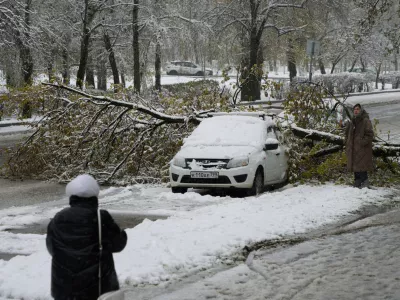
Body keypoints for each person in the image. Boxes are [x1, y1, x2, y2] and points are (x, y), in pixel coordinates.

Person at [46, 174, 127, 300]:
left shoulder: (58, 218)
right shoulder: (101, 217)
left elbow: (52, 248)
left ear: (72, 196)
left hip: (65, 287)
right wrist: (122, 232)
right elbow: (118, 244)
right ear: (94, 196)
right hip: (97, 286)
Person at [344, 103, 374, 188]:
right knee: (355, 164)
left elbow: (370, 134)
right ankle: (357, 181)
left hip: (362, 148)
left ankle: (365, 181)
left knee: (362, 165)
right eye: (354, 109)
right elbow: (347, 134)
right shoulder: (352, 121)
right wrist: (347, 142)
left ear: (361, 110)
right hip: (353, 147)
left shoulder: (365, 121)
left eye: (357, 109)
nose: (356, 111)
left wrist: (361, 142)